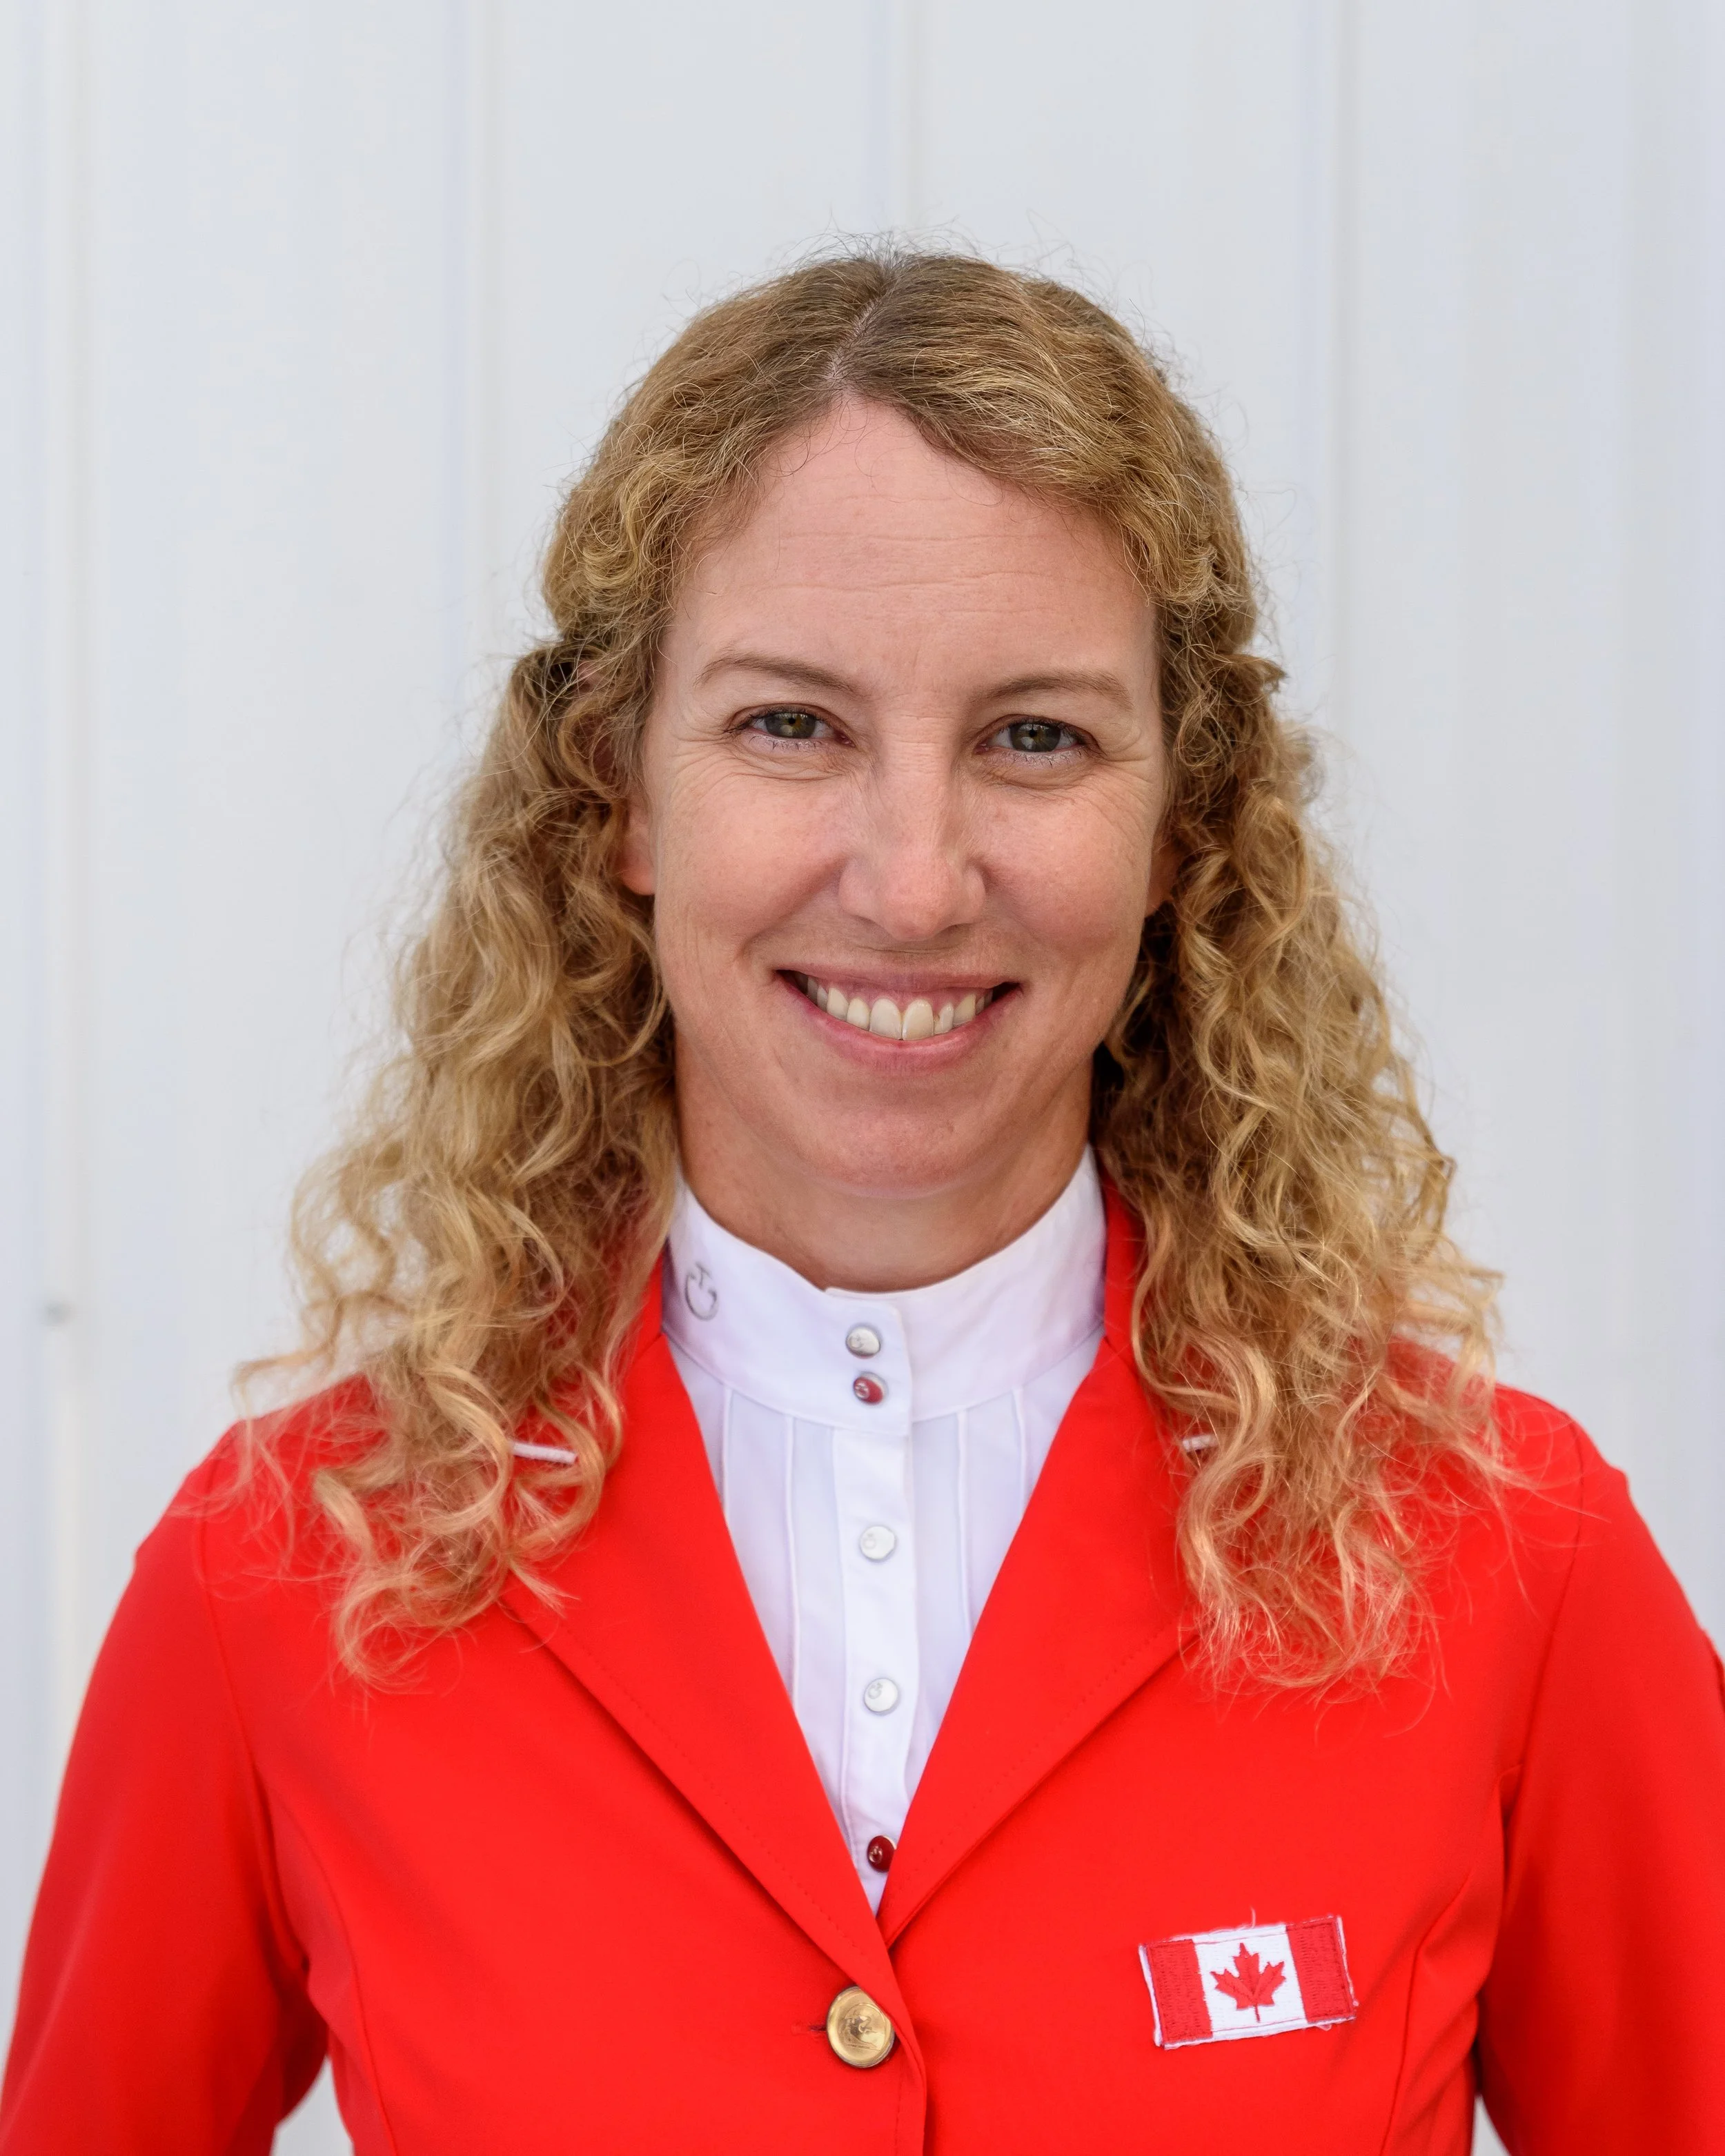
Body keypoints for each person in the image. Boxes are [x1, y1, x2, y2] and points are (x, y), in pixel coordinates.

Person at [3, 249, 1722, 2155]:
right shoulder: (288, 1575)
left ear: (1180, 826)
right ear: (617, 795)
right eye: (791, 726)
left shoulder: (1505, 1563)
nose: (913, 883)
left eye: (1035, 737)